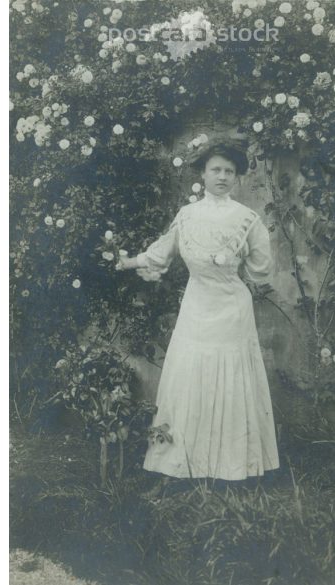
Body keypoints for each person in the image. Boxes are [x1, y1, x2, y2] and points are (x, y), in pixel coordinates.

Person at [116, 141, 280, 481]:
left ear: (236, 178)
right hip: (196, 307)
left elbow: (262, 268)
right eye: (215, 170)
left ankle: (232, 465)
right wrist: (127, 262)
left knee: (231, 379)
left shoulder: (247, 219)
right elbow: (162, 253)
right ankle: (184, 463)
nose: (222, 177)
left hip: (232, 310)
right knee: (190, 376)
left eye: (229, 172)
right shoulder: (187, 216)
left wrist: (241, 255)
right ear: (203, 174)